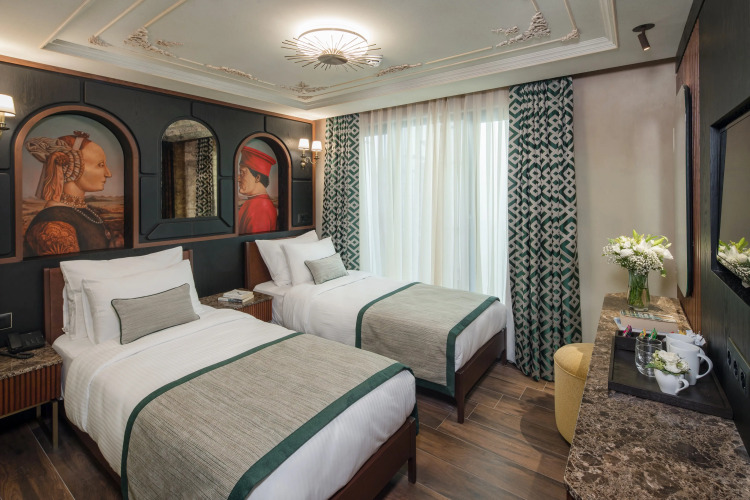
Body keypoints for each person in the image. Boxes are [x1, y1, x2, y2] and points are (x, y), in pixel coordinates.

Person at [23, 130, 115, 257]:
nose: (108, 173)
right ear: (72, 167)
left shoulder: (86, 210)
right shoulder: (53, 223)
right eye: (100, 165)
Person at [237, 146, 278, 234]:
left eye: (242, 173)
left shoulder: (260, 208)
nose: (238, 178)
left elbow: (255, 241)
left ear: (257, 178)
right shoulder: (255, 202)